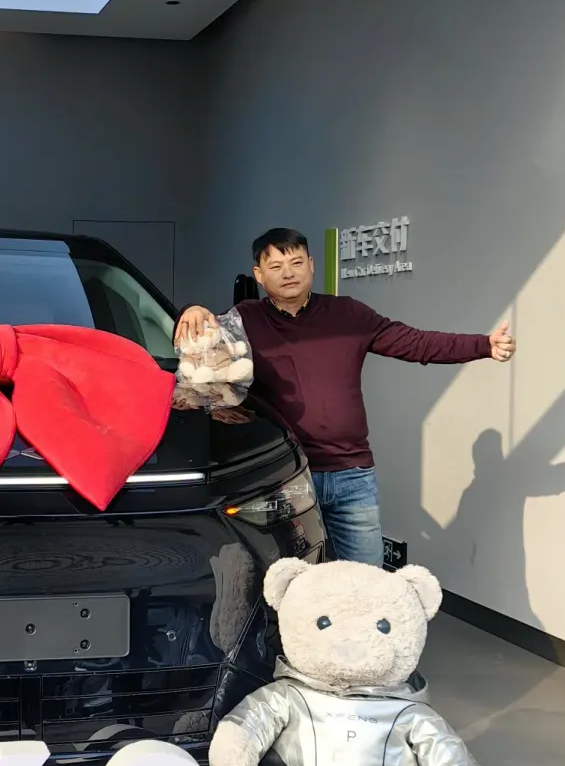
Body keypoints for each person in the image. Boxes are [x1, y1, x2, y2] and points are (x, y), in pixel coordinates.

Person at [176, 228, 516, 566]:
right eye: (276, 266)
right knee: (292, 582)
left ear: (311, 265)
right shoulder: (244, 320)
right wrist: (191, 309)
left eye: (296, 262)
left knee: (366, 580)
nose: (288, 273)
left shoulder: (348, 314)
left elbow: (416, 343)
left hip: (352, 475)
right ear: (259, 275)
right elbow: (204, 354)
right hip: (284, 476)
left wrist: (483, 345)